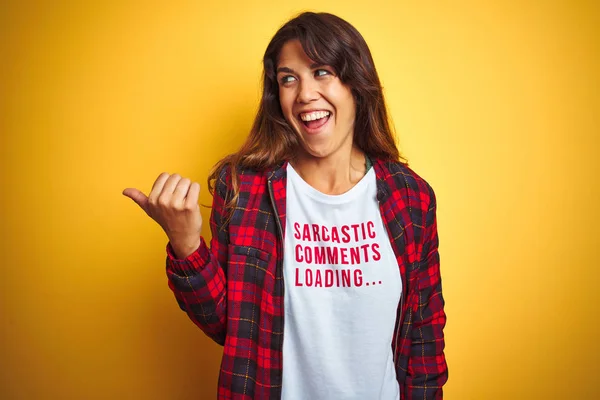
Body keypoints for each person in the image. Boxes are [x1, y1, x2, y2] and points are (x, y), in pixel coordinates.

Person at [123, 11, 447, 400]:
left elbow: (423, 343)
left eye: (322, 72)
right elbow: (230, 326)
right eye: (288, 79)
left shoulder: (410, 197)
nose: (304, 93)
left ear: (357, 84)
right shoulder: (243, 187)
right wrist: (186, 245)